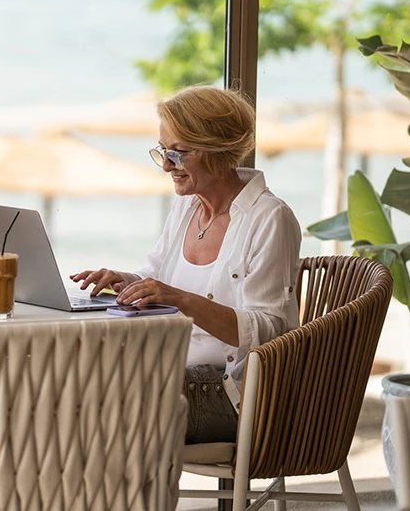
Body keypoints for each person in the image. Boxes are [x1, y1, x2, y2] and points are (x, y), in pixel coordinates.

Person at [70, 86, 301, 444]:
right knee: (69, 390)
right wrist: (129, 281)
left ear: (219, 151)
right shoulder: (187, 205)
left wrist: (182, 300)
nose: (166, 166)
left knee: (96, 413)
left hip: (236, 396)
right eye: (163, 151)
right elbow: (159, 275)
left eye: (178, 153)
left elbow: (270, 331)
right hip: (172, 371)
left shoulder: (270, 218)